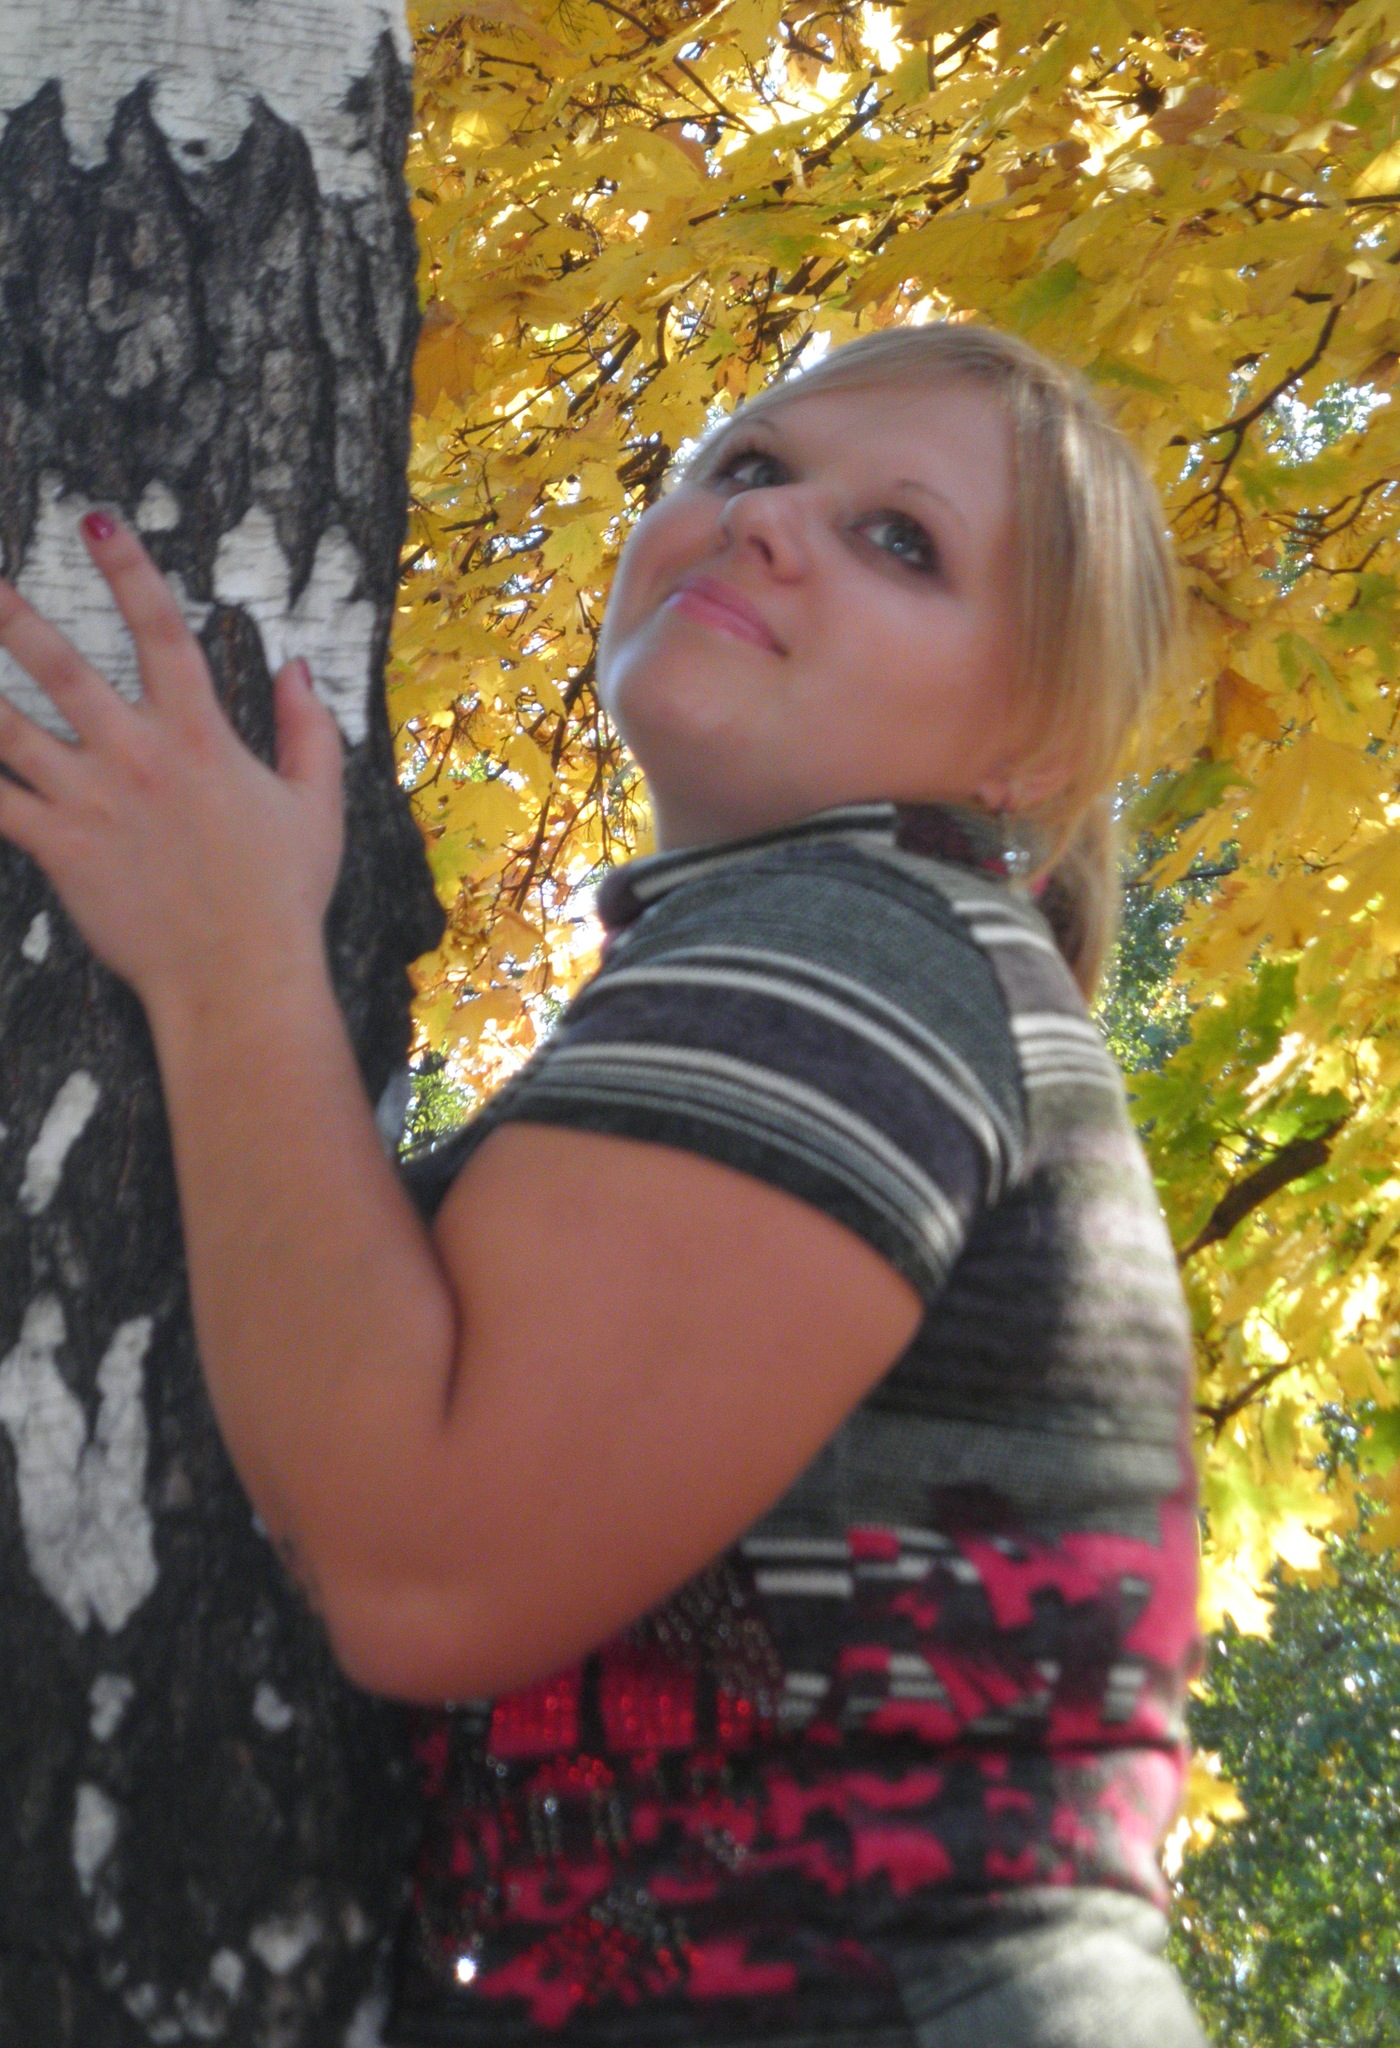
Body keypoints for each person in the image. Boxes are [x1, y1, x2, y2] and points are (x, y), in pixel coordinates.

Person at [0, 322, 1206, 2048]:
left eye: (901, 541)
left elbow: (423, 1563)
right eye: (752, 464)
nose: (766, 519)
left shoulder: (866, 952)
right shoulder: (855, 958)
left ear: (1031, 751)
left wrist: (228, 958)